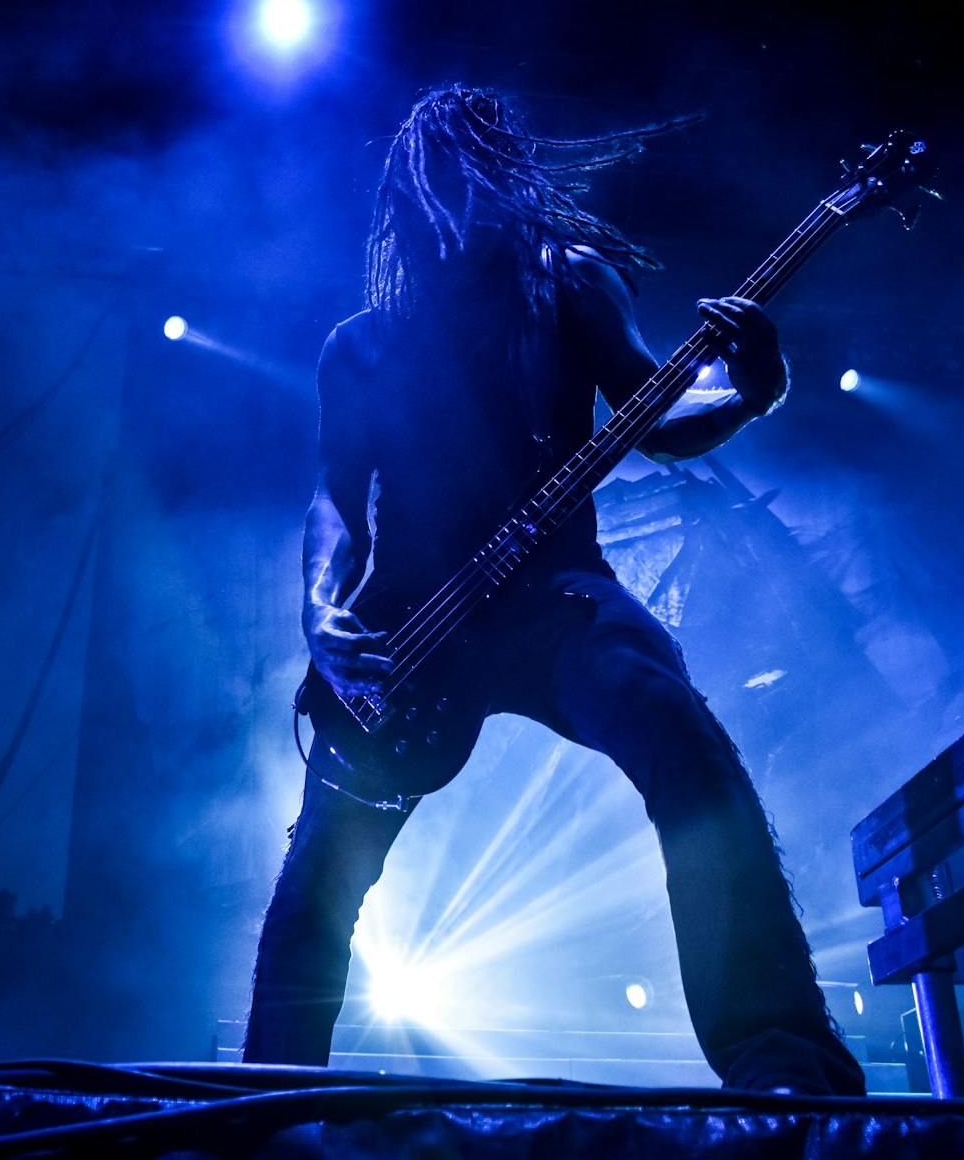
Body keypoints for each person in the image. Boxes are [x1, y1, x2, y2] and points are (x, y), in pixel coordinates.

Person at [241, 87, 865, 1095]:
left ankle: (780, 1057)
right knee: (321, 877)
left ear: (506, 173)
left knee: (688, 749)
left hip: (558, 596)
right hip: (409, 620)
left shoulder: (567, 282)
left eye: (478, 166)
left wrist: (751, 385)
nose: (459, 191)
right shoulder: (360, 343)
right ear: (407, 187)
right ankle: (263, 1101)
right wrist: (322, 613)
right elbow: (336, 495)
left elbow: (655, 417)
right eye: (438, 170)